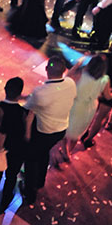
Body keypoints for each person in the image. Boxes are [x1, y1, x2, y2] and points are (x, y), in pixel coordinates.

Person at [22, 54, 77, 203]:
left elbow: (27, 109)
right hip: (61, 130)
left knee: (31, 159)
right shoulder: (70, 83)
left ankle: (30, 193)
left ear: (46, 69)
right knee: (44, 152)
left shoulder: (40, 92)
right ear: (64, 70)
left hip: (44, 131)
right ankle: (40, 181)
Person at [51, 54, 107, 164]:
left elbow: (67, 77)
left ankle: (65, 150)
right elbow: (104, 95)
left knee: (65, 128)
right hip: (89, 108)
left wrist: (78, 64)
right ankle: (69, 151)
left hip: (75, 104)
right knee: (78, 131)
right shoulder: (105, 79)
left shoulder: (81, 73)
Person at [0, 77, 30, 215]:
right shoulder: (23, 113)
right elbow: (26, 136)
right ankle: (5, 200)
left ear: (5, 89)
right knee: (11, 176)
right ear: (19, 94)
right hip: (15, 152)